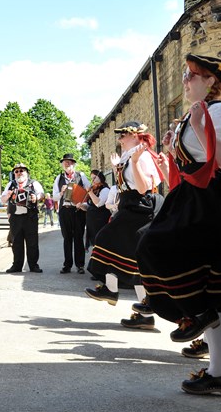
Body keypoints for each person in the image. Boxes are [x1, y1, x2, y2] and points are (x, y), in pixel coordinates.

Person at [136, 54, 221, 396]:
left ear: (212, 82)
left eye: (194, 75)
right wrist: (172, 151)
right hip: (192, 199)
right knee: (209, 291)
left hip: (217, 202)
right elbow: (188, 166)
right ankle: (218, 373)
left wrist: (200, 125)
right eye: (186, 74)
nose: (186, 80)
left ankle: (197, 313)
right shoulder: (190, 116)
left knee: (154, 246)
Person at [84, 121, 163, 330]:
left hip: (141, 208)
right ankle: (144, 316)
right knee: (134, 264)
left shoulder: (142, 156)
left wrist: (134, 163)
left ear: (136, 136)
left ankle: (110, 290)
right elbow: (124, 186)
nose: (119, 139)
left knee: (104, 239)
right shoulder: (130, 155)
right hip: (130, 206)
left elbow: (144, 187)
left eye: (123, 135)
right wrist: (117, 167)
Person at [2, 163, 44, 273]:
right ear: (14, 174)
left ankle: (33, 265)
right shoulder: (10, 184)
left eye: (22, 171)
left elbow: (42, 194)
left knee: (32, 242)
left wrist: (36, 197)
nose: (19, 173)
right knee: (16, 243)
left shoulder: (33, 183)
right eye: (16, 171)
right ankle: (17, 265)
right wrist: (8, 195)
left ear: (26, 173)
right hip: (15, 218)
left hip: (30, 216)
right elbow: (3, 199)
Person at [52, 154, 91, 274]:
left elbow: (89, 190)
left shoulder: (81, 175)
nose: (67, 164)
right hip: (65, 210)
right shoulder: (58, 178)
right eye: (65, 163)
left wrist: (82, 202)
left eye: (69, 162)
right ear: (62, 164)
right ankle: (67, 265)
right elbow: (54, 197)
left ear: (74, 164)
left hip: (78, 211)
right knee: (67, 238)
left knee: (78, 237)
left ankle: (80, 265)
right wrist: (62, 192)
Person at [82, 169, 111, 251]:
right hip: (92, 223)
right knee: (95, 245)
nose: (93, 180)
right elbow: (90, 205)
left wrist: (90, 193)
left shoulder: (105, 189)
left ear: (100, 177)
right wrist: (81, 206)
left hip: (100, 221)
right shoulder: (94, 190)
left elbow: (98, 203)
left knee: (101, 244)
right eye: (91, 178)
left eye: (94, 178)